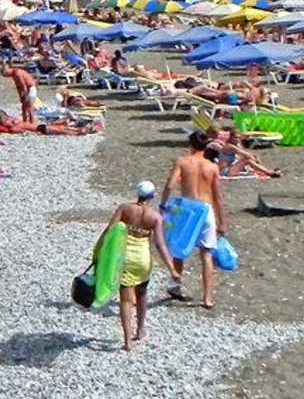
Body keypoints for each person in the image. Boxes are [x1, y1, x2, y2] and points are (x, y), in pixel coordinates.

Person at [94, 182, 170, 351]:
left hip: (125, 258)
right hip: (143, 260)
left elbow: (109, 230)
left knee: (126, 301)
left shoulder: (125, 209)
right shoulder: (155, 217)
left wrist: (98, 251)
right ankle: (140, 329)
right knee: (142, 293)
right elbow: (160, 245)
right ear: (152, 196)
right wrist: (171, 268)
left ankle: (128, 340)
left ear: (138, 193)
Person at [160, 131, 227, 309]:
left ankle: (176, 286)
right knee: (206, 254)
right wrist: (222, 221)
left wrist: (163, 205)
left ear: (190, 145)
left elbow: (170, 185)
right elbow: (218, 197)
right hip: (205, 209)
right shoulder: (212, 167)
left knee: (178, 248)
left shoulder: (182, 162)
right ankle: (207, 297)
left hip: (187, 209)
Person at [0, 110, 101, 136]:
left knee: (62, 128)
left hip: (39, 126)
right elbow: (17, 130)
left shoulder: (10, 121)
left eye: (4, 116)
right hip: (39, 129)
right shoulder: (7, 126)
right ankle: (80, 131)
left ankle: (82, 130)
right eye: (3, 117)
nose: (5, 117)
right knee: (62, 130)